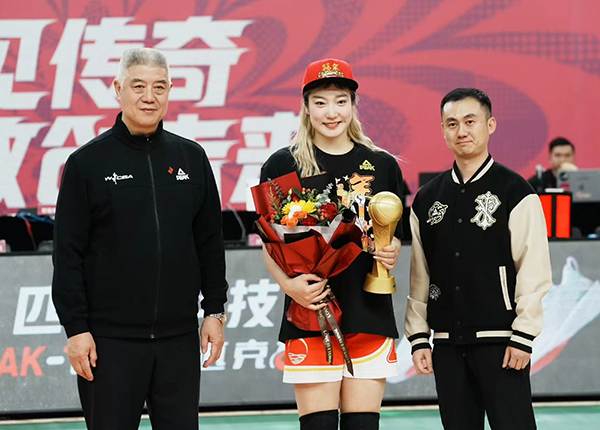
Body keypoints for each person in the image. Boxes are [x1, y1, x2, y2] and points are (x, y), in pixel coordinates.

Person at [51, 48, 228, 430]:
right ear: (118, 89)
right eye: (138, 86)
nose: (149, 97)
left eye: (159, 87)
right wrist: (76, 329)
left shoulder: (192, 158)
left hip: (179, 338)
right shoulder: (87, 163)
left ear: (170, 91)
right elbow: (67, 255)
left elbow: (210, 244)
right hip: (109, 342)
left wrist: (214, 311)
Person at [260, 58, 404, 430]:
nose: (331, 112)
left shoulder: (381, 165)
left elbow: (392, 234)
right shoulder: (284, 165)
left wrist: (391, 249)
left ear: (353, 104)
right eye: (320, 102)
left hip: (369, 311)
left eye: (340, 101)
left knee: (363, 425)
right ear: (306, 107)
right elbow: (271, 242)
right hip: (311, 312)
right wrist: (290, 286)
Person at [405, 88, 552, 430]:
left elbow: (533, 269)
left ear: (490, 125)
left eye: (470, 121)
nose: (462, 131)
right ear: (443, 130)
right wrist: (418, 337)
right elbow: (420, 276)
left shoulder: (516, 191)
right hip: (446, 343)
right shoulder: (427, 199)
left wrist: (523, 335)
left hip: (502, 342)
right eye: (452, 123)